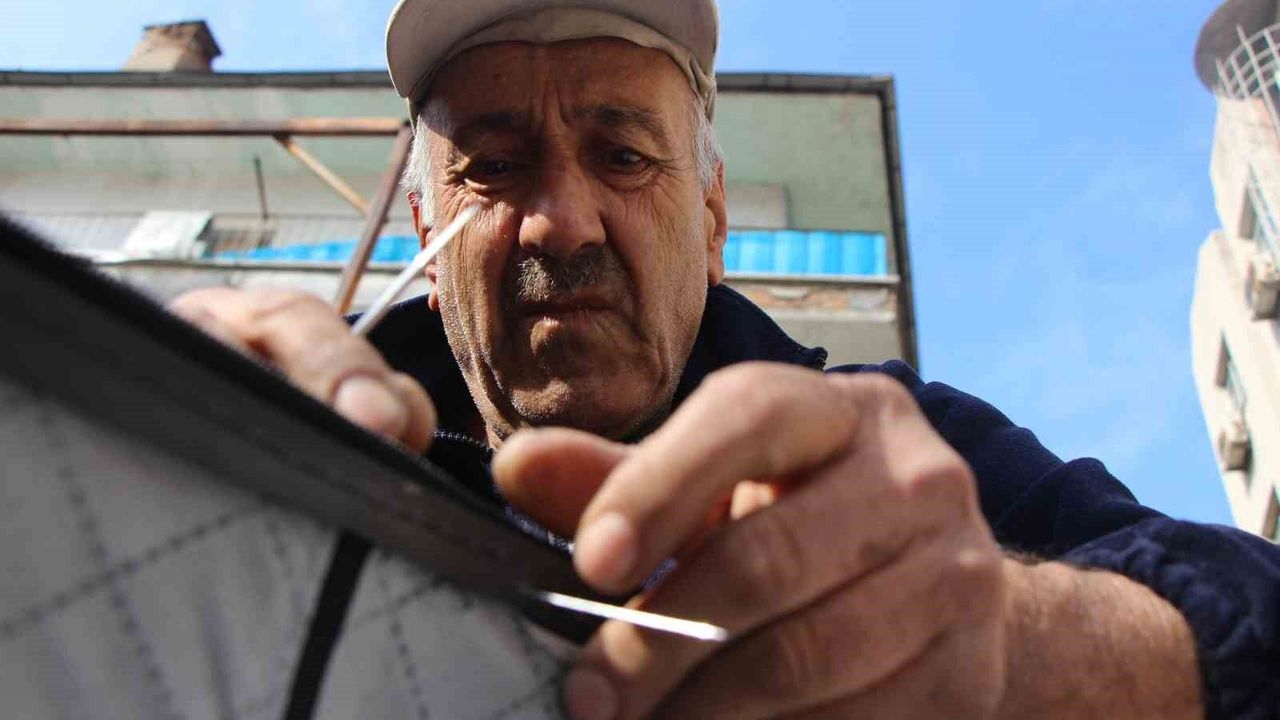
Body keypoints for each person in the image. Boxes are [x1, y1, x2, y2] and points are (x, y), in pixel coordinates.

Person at [170, 0, 1280, 717]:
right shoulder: (293, 435)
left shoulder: (898, 460)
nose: (562, 220)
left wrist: (1015, 635)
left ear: (709, 219)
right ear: (425, 230)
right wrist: (153, 434)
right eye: (494, 165)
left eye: (621, 155)